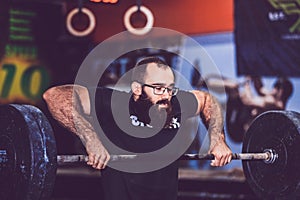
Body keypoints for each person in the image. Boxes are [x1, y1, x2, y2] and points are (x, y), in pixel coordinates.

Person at [43, 56, 232, 200]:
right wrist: (90, 139)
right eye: (158, 87)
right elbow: (55, 96)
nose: (165, 95)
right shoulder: (114, 104)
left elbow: (208, 100)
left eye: (169, 88)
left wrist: (217, 139)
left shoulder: (174, 104)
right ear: (137, 89)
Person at [204, 75, 293, 142]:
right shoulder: (275, 101)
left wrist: (247, 84)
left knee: (233, 88)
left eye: (275, 87)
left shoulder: (275, 104)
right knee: (231, 84)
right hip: (240, 125)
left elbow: (248, 101)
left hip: (238, 129)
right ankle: (204, 82)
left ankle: (202, 82)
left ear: (280, 91)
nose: (272, 89)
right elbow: (260, 88)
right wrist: (254, 74)